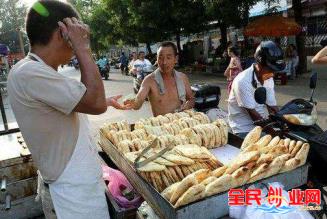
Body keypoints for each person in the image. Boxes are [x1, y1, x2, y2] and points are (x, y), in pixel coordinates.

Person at [7, 1, 128, 218]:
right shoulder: (29, 72)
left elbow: (85, 101)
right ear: (62, 33)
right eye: (76, 34)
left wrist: (103, 100)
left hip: (78, 187)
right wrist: (83, 48)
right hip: (73, 195)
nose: (76, 43)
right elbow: (95, 103)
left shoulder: (40, 72)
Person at [228, 41, 285, 137]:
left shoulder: (268, 77)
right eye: (271, 69)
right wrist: (274, 132)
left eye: (275, 70)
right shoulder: (242, 81)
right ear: (259, 64)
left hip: (263, 123)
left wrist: (283, 121)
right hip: (244, 128)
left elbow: (272, 106)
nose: (273, 74)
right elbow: (254, 116)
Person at [125, 41, 195, 116]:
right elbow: (138, 102)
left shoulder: (183, 78)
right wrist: (132, 103)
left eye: (168, 58)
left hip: (180, 124)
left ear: (176, 59)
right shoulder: (149, 80)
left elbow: (191, 99)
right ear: (156, 59)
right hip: (161, 126)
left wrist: (188, 105)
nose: (164, 62)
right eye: (160, 58)